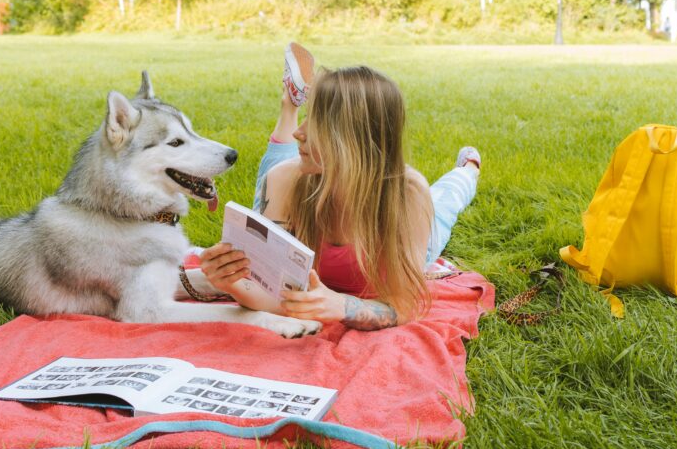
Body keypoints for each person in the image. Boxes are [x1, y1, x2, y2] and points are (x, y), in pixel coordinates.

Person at [197, 44, 480, 330]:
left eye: (315, 122)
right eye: (306, 117)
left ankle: (467, 169)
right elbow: (270, 293)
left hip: (404, 225)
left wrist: (342, 306)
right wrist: (232, 283)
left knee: (445, 202)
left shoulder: (405, 194)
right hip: (303, 179)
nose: (299, 132)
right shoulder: (284, 179)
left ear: (352, 139)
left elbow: (405, 305)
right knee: (277, 171)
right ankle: (289, 105)